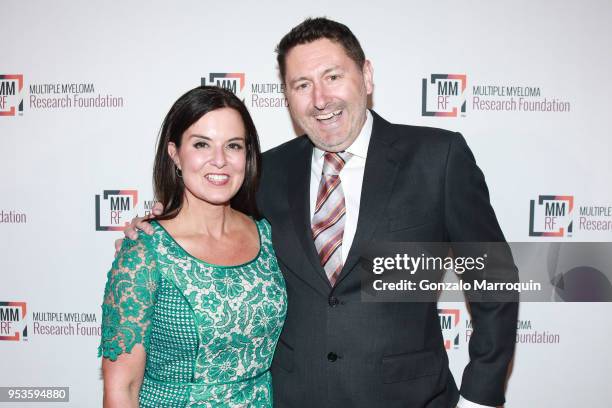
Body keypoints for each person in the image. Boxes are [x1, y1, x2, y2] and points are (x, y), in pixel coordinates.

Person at [122, 18, 518, 408]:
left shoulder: (437, 158)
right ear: (288, 96)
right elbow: (214, 223)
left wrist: (480, 397)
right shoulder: (265, 171)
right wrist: (158, 225)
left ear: (366, 76)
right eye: (302, 85)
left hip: (409, 397)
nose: (320, 99)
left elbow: (494, 276)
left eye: (332, 77)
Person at [99, 86, 287, 407]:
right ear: (175, 154)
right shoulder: (145, 251)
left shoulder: (269, 235)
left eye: (233, 146)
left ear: (248, 154)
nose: (219, 160)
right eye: (202, 144)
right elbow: (122, 388)